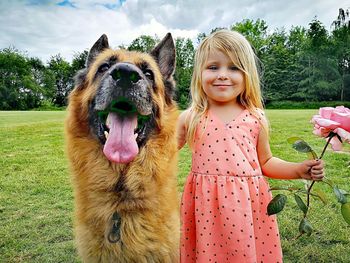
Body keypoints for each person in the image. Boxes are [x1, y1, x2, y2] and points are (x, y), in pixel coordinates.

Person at [177, 29, 324, 263]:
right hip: (204, 204)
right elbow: (162, 153)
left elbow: (266, 162)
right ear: (199, 73)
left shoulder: (256, 118)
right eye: (213, 67)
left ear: (247, 75)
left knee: (243, 253)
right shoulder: (191, 117)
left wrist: (298, 170)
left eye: (234, 68)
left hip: (247, 203)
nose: (223, 75)